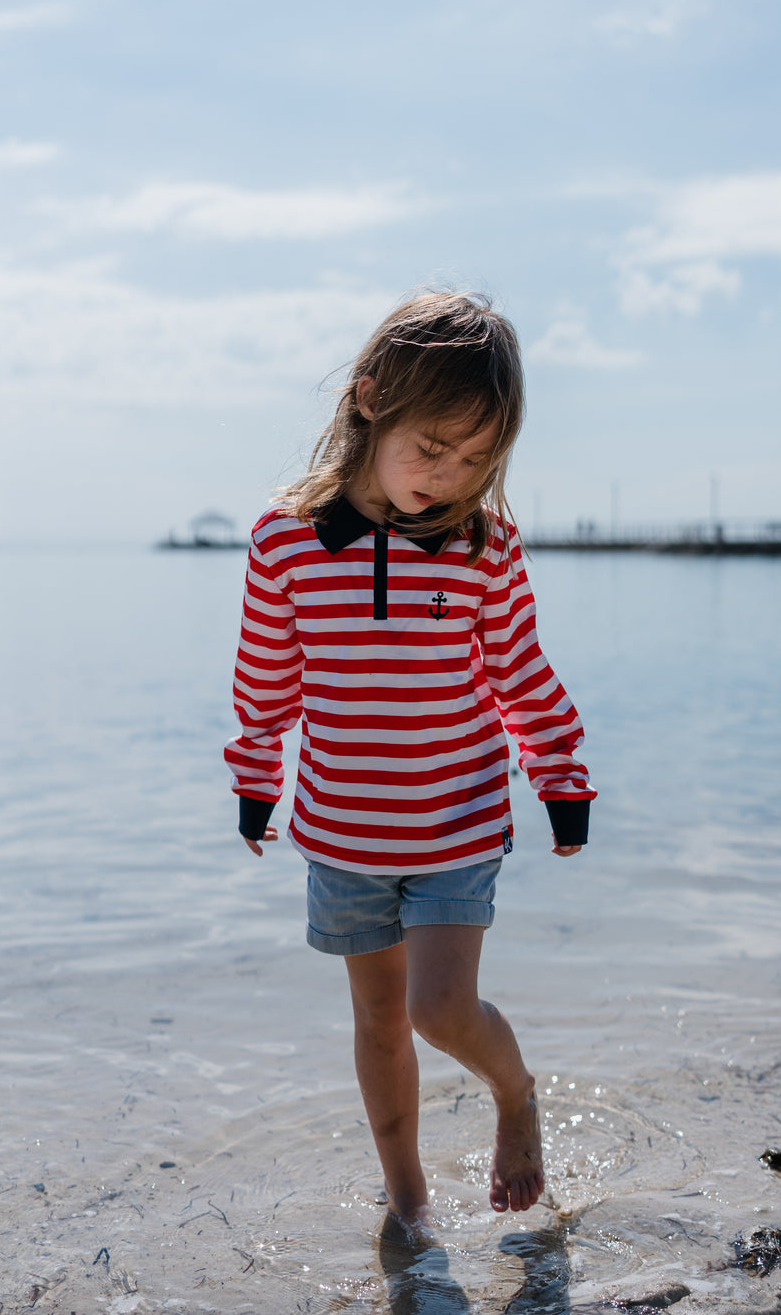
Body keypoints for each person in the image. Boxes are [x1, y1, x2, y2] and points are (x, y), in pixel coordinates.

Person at [225, 289, 595, 1225]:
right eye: (433, 448)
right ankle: (408, 1199)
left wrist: (561, 776)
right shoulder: (285, 545)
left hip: (456, 819)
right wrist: (254, 781)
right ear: (368, 399)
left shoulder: (482, 544)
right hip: (343, 832)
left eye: (476, 459)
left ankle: (515, 1093)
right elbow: (268, 684)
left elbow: (518, 670)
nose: (450, 475)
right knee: (381, 1021)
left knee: (438, 1008)